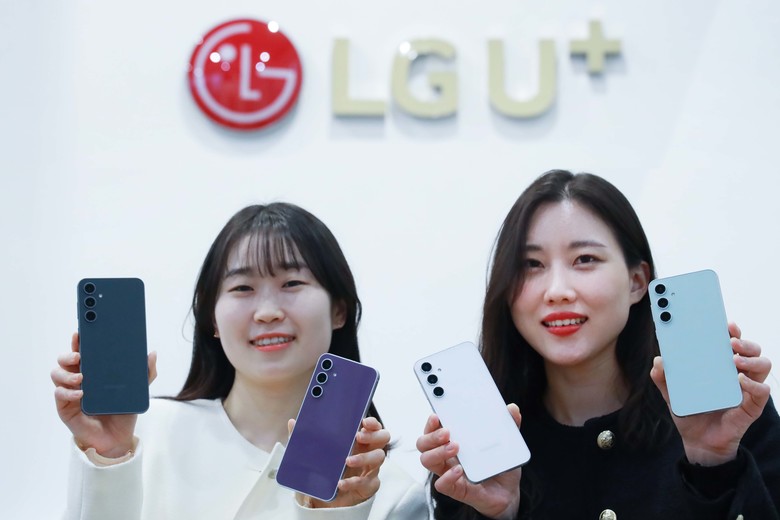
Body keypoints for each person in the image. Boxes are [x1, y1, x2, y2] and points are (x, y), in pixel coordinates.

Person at [416, 170, 780, 519]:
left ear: (637, 281)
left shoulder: (727, 415)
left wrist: (713, 463)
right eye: (532, 264)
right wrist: (500, 514)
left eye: (585, 260)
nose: (557, 290)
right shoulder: (474, 452)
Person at [53, 203, 428, 520]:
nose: (267, 312)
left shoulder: (388, 492)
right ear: (212, 321)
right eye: (242, 288)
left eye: (292, 284)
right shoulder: (147, 435)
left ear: (339, 310)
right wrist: (109, 456)